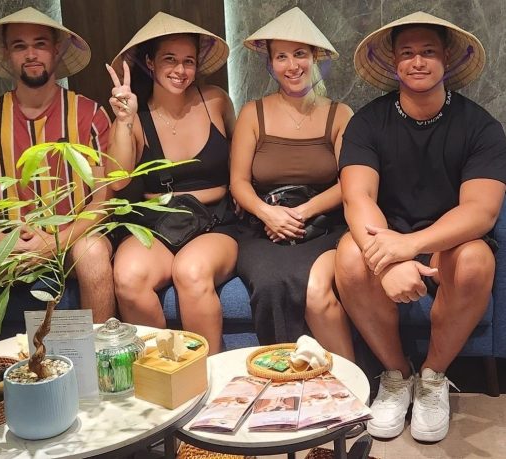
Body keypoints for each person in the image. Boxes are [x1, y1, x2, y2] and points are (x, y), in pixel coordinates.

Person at [336, 11, 506, 442]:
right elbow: (359, 198)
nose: (417, 61)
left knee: (475, 261)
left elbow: (481, 211)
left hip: (448, 240)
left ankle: (433, 378)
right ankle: (396, 376)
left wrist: (408, 247)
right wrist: (388, 261)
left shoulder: (481, 126)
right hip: (384, 235)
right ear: (393, 62)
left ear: (446, 59)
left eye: (428, 52)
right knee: (350, 258)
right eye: (407, 53)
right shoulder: (367, 122)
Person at [0, 7, 114, 353]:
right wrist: (1, 243)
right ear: (7, 54)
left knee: (94, 253)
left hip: (70, 242)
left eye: (40, 44)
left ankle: (99, 370)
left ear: (57, 50)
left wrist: (53, 243)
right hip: (7, 245)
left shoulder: (89, 114)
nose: (31, 54)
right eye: (20, 46)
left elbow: (101, 201)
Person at [105, 12, 237, 354]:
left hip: (216, 222)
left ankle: (213, 377)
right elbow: (116, 181)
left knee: (190, 271)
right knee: (128, 277)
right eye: (170, 60)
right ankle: (166, 372)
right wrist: (123, 119)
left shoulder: (216, 100)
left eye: (188, 61)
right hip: (157, 222)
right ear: (149, 63)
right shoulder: (136, 114)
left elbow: (243, 162)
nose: (180, 70)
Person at [230, 7, 354, 360]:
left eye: (300, 54)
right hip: (261, 227)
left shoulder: (339, 114)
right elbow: (238, 182)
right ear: (270, 64)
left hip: (324, 225)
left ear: (315, 57)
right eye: (281, 56)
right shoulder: (253, 113)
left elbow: (350, 182)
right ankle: (284, 377)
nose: (292, 65)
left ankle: (346, 381)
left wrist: (300, 212)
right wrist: (268, 214)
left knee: (310, 283)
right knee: (269, 281)